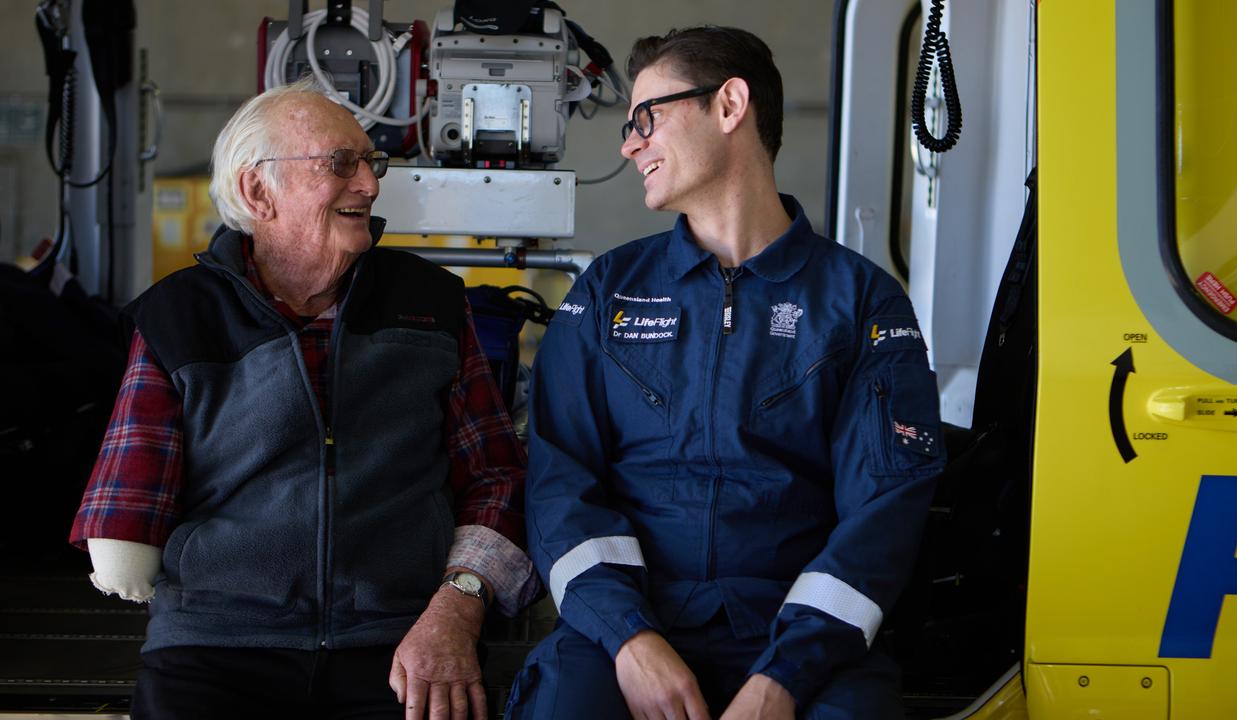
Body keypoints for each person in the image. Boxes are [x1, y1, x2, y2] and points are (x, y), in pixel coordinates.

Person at [506, 26, 945, 719]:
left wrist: (783, 681)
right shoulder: (604, 294)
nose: (629, 145)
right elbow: (560, 490)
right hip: (630, 630)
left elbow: (882, 513)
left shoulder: (862, 300)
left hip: (800, 636)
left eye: (646, 117)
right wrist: (630, 640)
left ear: (729, 105)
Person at [69, 76, 538, 720]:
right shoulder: (179, 316)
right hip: (218, 647)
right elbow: (130, 492)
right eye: (340, 164)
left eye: (371, 163)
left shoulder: (429, 302)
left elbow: (496, 477)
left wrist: (456, 608)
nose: (370, 186)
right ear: (259, 190)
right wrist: (124, 546)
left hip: (404, 642)